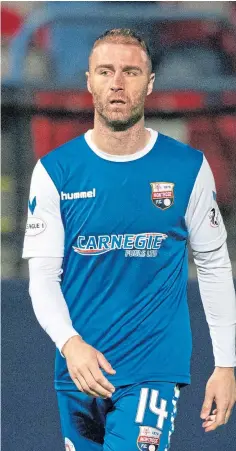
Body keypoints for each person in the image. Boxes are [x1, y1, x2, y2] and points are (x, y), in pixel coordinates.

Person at [22, 29, 236, 451]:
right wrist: (71, 344)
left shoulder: (187, 167)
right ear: (89, 81)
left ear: (150, 83)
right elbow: (43, 278)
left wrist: (226, 364)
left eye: (131, 71)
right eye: (106, 71)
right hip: (79, 371)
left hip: (152, 369)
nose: (118, 83)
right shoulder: (55, 172)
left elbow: (214, 265)